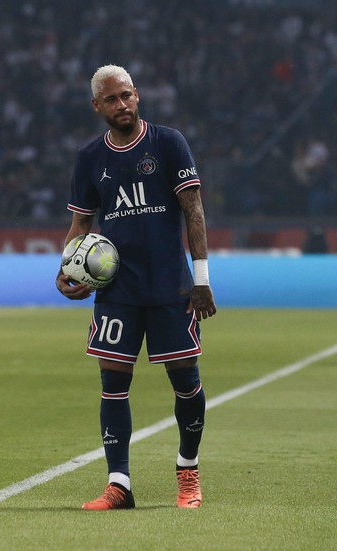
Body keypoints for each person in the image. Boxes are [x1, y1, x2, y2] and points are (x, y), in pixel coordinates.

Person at [56, 65, 217, 510]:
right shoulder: (90, 158)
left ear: (138, 95)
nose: (122, 104)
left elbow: (194, 211)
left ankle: (188, 470)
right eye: (111, 99)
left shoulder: (168, 143)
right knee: (113, 384)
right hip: (117, 290)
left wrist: (201, 279)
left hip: (171, 287)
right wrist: (67, 268)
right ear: (97, 106)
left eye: (127, 95)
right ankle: (119, 484)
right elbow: (80, 223)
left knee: (186, 382)